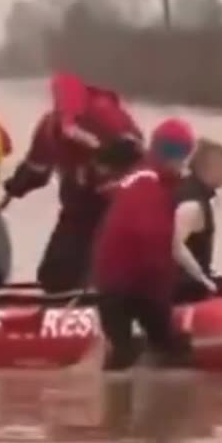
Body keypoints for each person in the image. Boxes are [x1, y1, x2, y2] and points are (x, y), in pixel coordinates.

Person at [0, 72, 145, 293]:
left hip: (117, 208)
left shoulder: (107, 116)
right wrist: (5, 199)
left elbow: (138, 154)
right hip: (77, 209)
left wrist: (105, 159)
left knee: (104, 270)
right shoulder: (49, 128)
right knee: (54, 276)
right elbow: (35, 169)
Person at [92, 118, 199, 372]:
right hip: (131, 285)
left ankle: (118, 403)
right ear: (169, 154)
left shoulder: (141, 177)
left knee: (124, 354)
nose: (184, 165)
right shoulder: (149, 186)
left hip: (113, 283)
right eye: (182, 157)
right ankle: (166, 402)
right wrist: (166, 291)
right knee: (171, 350)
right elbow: (153, 242)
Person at [172, 139, 222, 302]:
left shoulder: (188, 190)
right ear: (211, 168)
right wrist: (202, 279)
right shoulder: (193, 204)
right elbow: (173, 244)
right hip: (185, 287)